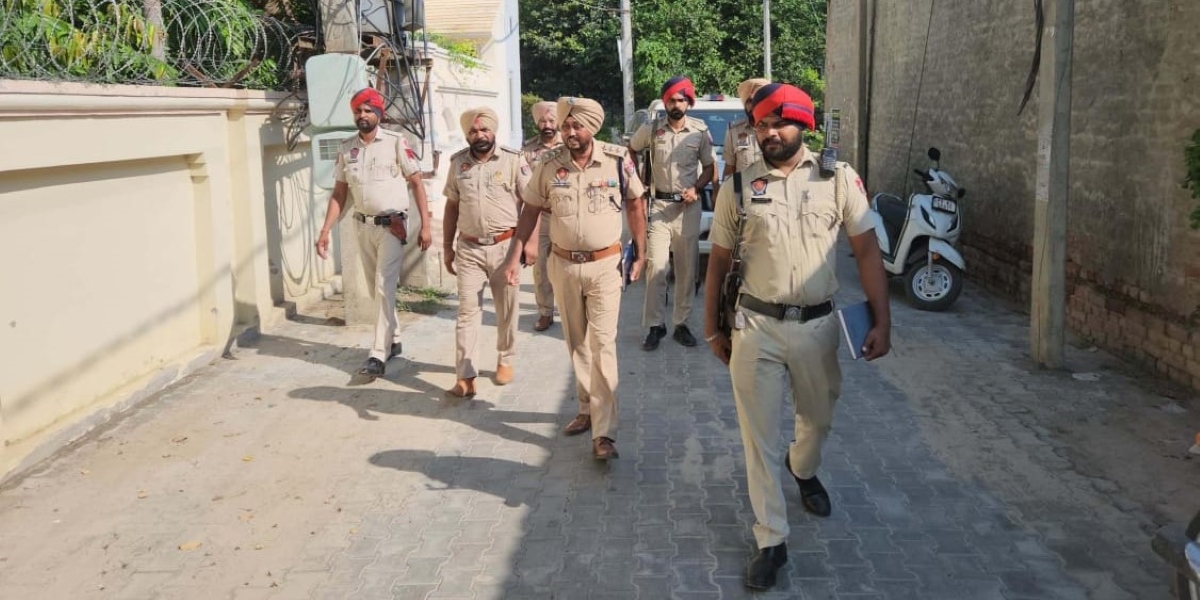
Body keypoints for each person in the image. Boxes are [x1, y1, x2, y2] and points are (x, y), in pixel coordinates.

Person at [702, 83, 892, 591]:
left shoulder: (838, 179)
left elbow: (867, 252)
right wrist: (711, 327)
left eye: (779, 124)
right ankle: (771, 540)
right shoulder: (738, 187)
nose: (769, 133)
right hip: (755, 326)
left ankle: (803, 467)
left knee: (817, 418)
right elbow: (718, 261)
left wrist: (883, 321)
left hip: (817, 327)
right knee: (758, 437)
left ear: (803, 125)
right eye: (762, 125)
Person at [503, 96, 647, 460]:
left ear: (591, 128)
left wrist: (642, 253)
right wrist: (513, 255)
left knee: (603, 344)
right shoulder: (549, 164)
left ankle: (604, 432)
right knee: (577, 342)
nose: (569, 131)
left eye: (576, 125)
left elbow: (635, 203)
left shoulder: (617, 160)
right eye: (566, 125)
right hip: (563, 266)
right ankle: (586, 407)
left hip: (605, 266)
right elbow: (530, 209)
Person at [316, 87, 432, 378]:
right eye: (358, 111)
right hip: (362, 226)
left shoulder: (395, 142)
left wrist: (426, 225)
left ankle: (378, 353)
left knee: (382, 286)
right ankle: (394, 339)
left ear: (379, 113)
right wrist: (325, 229)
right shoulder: (347, 149)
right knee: (376, 288)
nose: (363, 115)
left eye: (368, 110)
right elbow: (340, 193)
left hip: (391, 226)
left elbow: (417, 182)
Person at [442, 107, 534, 397]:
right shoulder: (458, 163)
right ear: (467, 135)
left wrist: (529, 244)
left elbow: (532, 204)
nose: (479, 135)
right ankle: (465, 375)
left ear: (493, 131)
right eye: (473, 131)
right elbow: (451, 206)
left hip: (505, 248)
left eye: (484, 130)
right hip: (469, 248)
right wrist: (446, 247)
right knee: (467, 312)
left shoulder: (513, 160)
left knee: (506, 309)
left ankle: (505, 358)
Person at [627, 76, 716, 352]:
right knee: (655, 265)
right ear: (665, 102)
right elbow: (631, 149)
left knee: (687, 269)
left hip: (687, 209)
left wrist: (696, 187)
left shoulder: (699, 131)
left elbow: (710, 168)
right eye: (671, 100)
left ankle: (681, 324)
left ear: (688, 102)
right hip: (659, 207)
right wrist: (636, 182)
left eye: (680, 100)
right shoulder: (652, 129)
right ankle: (655, 326)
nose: (676, 105)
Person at [520, 101, 563, 332]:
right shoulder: (527, 151)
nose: (547, 125)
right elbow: (524, 188)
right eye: (542, 121)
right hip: (541, 216)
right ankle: (545, 312)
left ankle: (572, 310)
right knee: (542, 267)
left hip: (566, 215)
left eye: (551, 120)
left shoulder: (569, 145)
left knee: (569, 265)